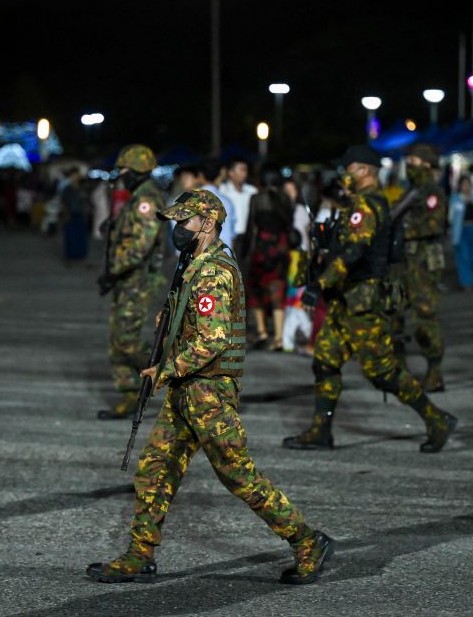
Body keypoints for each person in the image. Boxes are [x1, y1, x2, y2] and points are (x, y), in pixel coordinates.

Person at [87, 190, 332, 585]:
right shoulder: (192, 263)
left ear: (206, 222)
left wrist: (164, 369)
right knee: (155, 469)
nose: (177, 229)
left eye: (184, 222)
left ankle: (306, 540)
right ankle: (139, 554)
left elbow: (213, 339)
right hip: (188, 391)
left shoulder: (215, 270)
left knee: (238, 475)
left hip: (209, 392)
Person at [281, 145, 457, 453]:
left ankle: (436, 419)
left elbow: (354, 252)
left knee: (383, 371)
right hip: (344, 299)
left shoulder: (367, 205)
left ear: (364, 170)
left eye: (347, 169)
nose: (343, 176)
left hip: (362, 301)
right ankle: (321, 430)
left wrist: (320, 283)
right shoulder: (357, 205)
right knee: (324, 362)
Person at [96, 145, 166, 420]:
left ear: (136, 170)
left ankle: (174, 372)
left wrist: (112, 271)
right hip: (127, 277)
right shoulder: (137, 197)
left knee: (127, 342)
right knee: (118, 340)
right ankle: (129, 394)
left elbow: (140, 246)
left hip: (137, 278)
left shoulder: (146, 198)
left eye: (124, 170)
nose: (121, 175)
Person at [390, 144, 448, 391]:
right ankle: (399, 370)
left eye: (412, 161)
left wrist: (405, 231)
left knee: (425, 319)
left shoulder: (432, 192)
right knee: (394, 315)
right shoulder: (410, 191)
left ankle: (434, 371)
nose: (409, 165)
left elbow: (434, 225)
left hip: (422, 263)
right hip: (401, 262)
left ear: (426, 164)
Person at [239, 167, 293, 350]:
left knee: (256, 290)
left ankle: (262, 331)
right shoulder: (285, 199)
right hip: (280, 247)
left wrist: (245, 252)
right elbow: (289, 224)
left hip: (262, 249)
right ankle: (278, 336)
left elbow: (251, 226)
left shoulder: (257, 199)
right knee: (277, 290)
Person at [449, 175, 473, 292]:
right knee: (464, 257)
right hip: (461, 230)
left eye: (468, 184)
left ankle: (467, 279)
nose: (466, 186)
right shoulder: (455, 199)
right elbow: (451, 217)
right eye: (464, 184)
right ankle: (467, 283)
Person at [218, 158, 257, 250]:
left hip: (247, 239)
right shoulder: (222, 191)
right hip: (228, 239)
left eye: (246, 170)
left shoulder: (252, 191)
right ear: (231, 172)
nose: (245, 173)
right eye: (242, 170)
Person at [59, 167, 88, 262]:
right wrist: (66, 214)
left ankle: (81, 256)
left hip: (80, 215)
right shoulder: (67, 189)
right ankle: (69, 257)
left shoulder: (82, 188)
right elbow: (63, 202)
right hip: (70, 215)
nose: (76, 177)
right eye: (74, 175)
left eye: (77, 175)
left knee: (81, 237)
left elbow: (85, 202)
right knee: (70, 237)